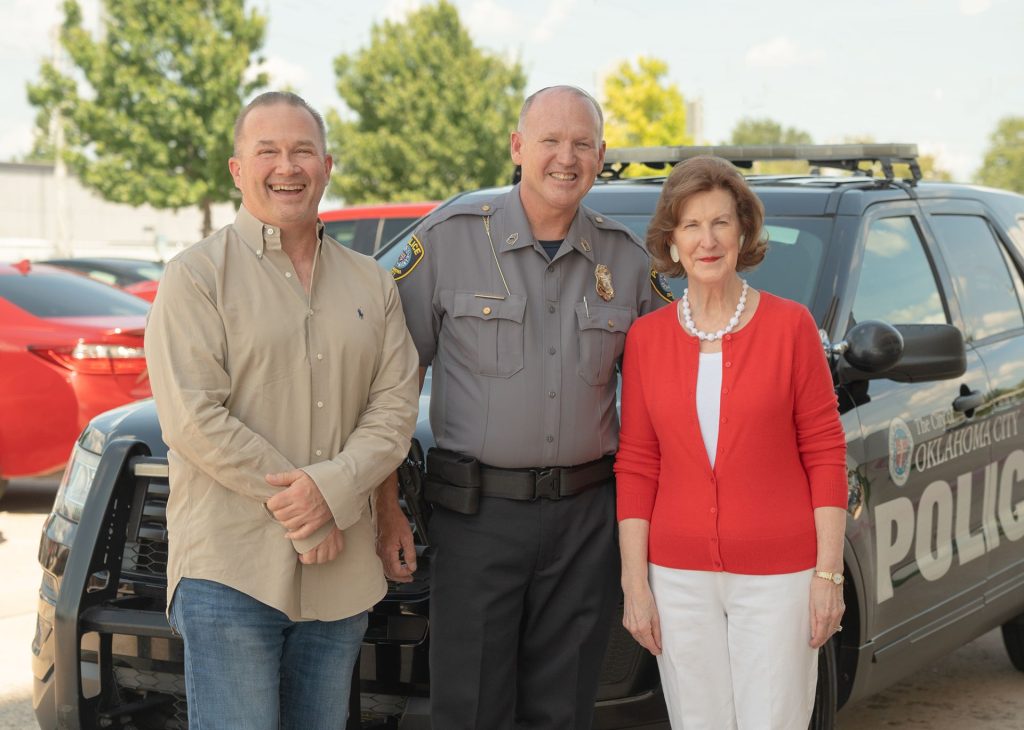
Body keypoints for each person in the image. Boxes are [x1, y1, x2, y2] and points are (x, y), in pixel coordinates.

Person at [375, 85, 673, 729]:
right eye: (550, 141)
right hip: (477, 517)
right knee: (471, 708)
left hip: (587, 521)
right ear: (517, 147)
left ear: (600, 155)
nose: (566, 157)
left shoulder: (626, 259)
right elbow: (390, 382)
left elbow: (676, 385)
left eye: (582, 144)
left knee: (563, 709)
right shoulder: (449, 241)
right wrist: (384, 504)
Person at [145, 91, 419, 729]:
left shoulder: (372, 283)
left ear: (327, 166)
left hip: (342, 573)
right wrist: (306, 509)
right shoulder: (195, 277)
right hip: (231, 570)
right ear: (238, 169)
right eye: (266, 150)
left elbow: (394, 407)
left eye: (302, 151)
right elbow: (192, 418)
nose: (286, 167)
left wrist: (331, 493)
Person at [615, 156, 847, 729]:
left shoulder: (791, 328)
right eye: (691, 226)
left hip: (780, 578)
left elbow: (824, 451)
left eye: (720, 223)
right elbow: (639, 464)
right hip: (677, 580)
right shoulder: (646, 339)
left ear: (743, 232)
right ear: (671, 241)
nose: (707, 240)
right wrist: (634, 584)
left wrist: (828, 574)